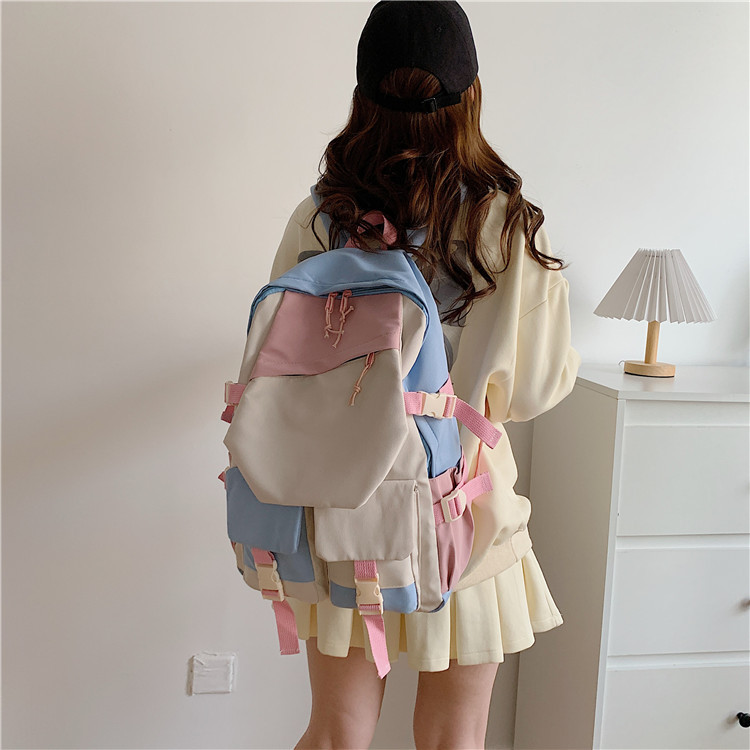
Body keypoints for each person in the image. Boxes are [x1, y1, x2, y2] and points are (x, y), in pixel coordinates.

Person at [266, 2, 581, 748]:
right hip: (465, 515)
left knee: (336, 734)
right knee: (453, 738)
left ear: (362, 97)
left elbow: (276, 366)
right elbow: (533, 391)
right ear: (471, 97)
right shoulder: (509, 226)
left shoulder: (322, 219)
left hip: (344, 510)